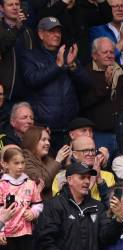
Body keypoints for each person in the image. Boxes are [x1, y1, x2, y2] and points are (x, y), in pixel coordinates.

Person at [21, 17, 90, 152]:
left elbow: (86, 84)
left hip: (69, 127)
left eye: (58, 31)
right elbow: (32, 80)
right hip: (45, 129)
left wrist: (72, 66)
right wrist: (57, 66)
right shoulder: (30, 56)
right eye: (52, 31)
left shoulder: (68, 55)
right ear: (41, 34)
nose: (57, 35)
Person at [81, 37, 123, 155]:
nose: (109, 55)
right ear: (94, 55)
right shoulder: (85, 73)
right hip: (99, 134)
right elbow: (84, 102)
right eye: (105, 52)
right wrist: (106, 85)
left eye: (112, 52)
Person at [0, 147, 42, 250]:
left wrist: (33, 212)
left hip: (25, 231)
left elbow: (38, 204)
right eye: (16, 163)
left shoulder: (30, 184)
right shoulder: (2, 185)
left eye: (22, 163)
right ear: (5, 164)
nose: (20, 166)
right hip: (8, 233)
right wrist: (1, 230)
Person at [51, 136, 115, 203]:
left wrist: (99, 180)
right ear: (75, 154)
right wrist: (91, 183)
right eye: (86, 151)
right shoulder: (61, 177)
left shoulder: (108, 176)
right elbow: (62, 206)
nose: (90, 154)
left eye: (92, 150)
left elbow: (111, 206)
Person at [89, 0, 123, 70]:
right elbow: (102, 59)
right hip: (111, 76)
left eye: (122, 6)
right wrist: (122, 41)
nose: (120, 9)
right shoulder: (98, 30)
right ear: (107, 8)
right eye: (115, 6)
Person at [21, 126, 69, 201]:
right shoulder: (24, 161)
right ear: (33, 141)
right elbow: (42, 183)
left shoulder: (48, 160)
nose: (48, 143)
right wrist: (58, 161)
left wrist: (68, 163)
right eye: (43, 140)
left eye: (48, 140)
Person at [0, 0, 34, 101]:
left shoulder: (27, 31)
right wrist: (17, 28)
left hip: (27, 91)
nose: (15, 7)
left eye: (17, 4)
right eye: (10, 5)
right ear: (1, 8)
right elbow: (3, 45)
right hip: (5, 93)